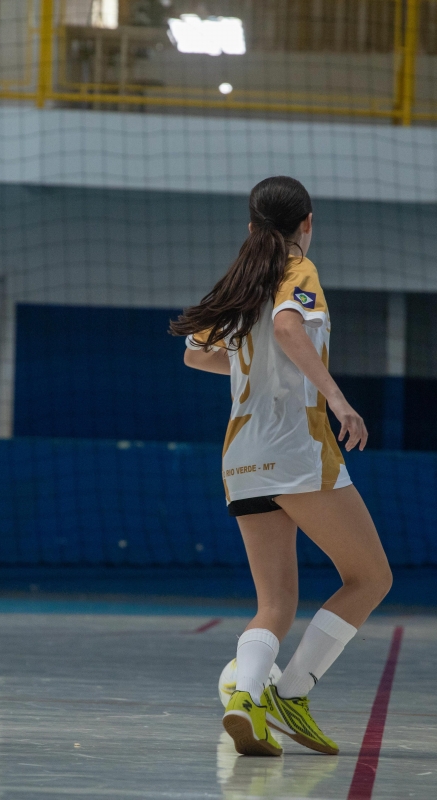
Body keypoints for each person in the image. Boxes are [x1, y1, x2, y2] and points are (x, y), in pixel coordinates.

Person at [172, 176, 393, 757]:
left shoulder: (241, 281)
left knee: (274, 605)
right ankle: (291, 695)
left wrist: (253, 367)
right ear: (307, 223)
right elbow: (287, 326)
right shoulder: (298, 268)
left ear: (251, 227)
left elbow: (195, 354)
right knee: (371, 579)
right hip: (297, 449)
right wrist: (338, 399)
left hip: (241, 457)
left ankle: (246, 699)